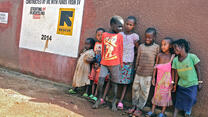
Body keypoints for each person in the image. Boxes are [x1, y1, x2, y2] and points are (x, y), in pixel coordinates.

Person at [92, 15, 124, 111]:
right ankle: (99, 100)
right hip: (105, 63)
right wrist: (101, 61)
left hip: (115, 63)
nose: (121, 29)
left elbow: (120, 50)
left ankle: (113, 102)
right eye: (119, 26)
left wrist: (121, 64)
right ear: (112, 25)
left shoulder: (120, 36)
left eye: (122, 27)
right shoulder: (105, 35)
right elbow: (103, 49)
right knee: (100, 82)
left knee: (114, 84)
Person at [127, 28, 160, 116]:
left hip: (148, 75)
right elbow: (137, 58)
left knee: (144, 92)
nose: (147, 39)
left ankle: (139, 107)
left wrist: (154, 75)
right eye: (146, 37)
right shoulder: (141, 46)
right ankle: (134, 105)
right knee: (135, 89)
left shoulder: (156, 47)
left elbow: (157, 62)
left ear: (154, 37)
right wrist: (135, 68)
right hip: (138, 73)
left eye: (150, 38)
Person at [172, 39, 202, 117]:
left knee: (191, 98)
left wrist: (200, 82)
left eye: (176, 48)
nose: (174, 50)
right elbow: (175, 74)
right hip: (181, 84)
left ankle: (187, 112)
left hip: (192, 84)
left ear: (182, 46)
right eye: (173, 49)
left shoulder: (192, 57)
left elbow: (198, 69)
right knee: (178, 101)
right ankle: (174, 115)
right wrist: (174, 84)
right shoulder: (175, 60)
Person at [146, 37, 175, 117]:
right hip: (159, 80)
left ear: (170, 46)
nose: (162, 46)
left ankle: (162, 113)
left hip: (167, 81)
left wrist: (172, 82)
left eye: (165, 45)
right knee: (156, 95)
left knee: (165, 96)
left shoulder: (172, 57)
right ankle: (152, 111)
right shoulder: (159, 55)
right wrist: (153, 78)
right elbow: (155, 67)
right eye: (162, 45)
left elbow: (173, 71)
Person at [117, 16, 140, 110]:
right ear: (124, 23)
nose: (128, 26)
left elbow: (137, 48)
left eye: (130, 25)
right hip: (118, 61)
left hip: (128, 62)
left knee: (125, 83)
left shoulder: (135, 37)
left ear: (133, 26)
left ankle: (121, 101)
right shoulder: (120, 34)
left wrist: (132, 54)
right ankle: (114, 98)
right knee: (115, 80)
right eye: (127, 24)